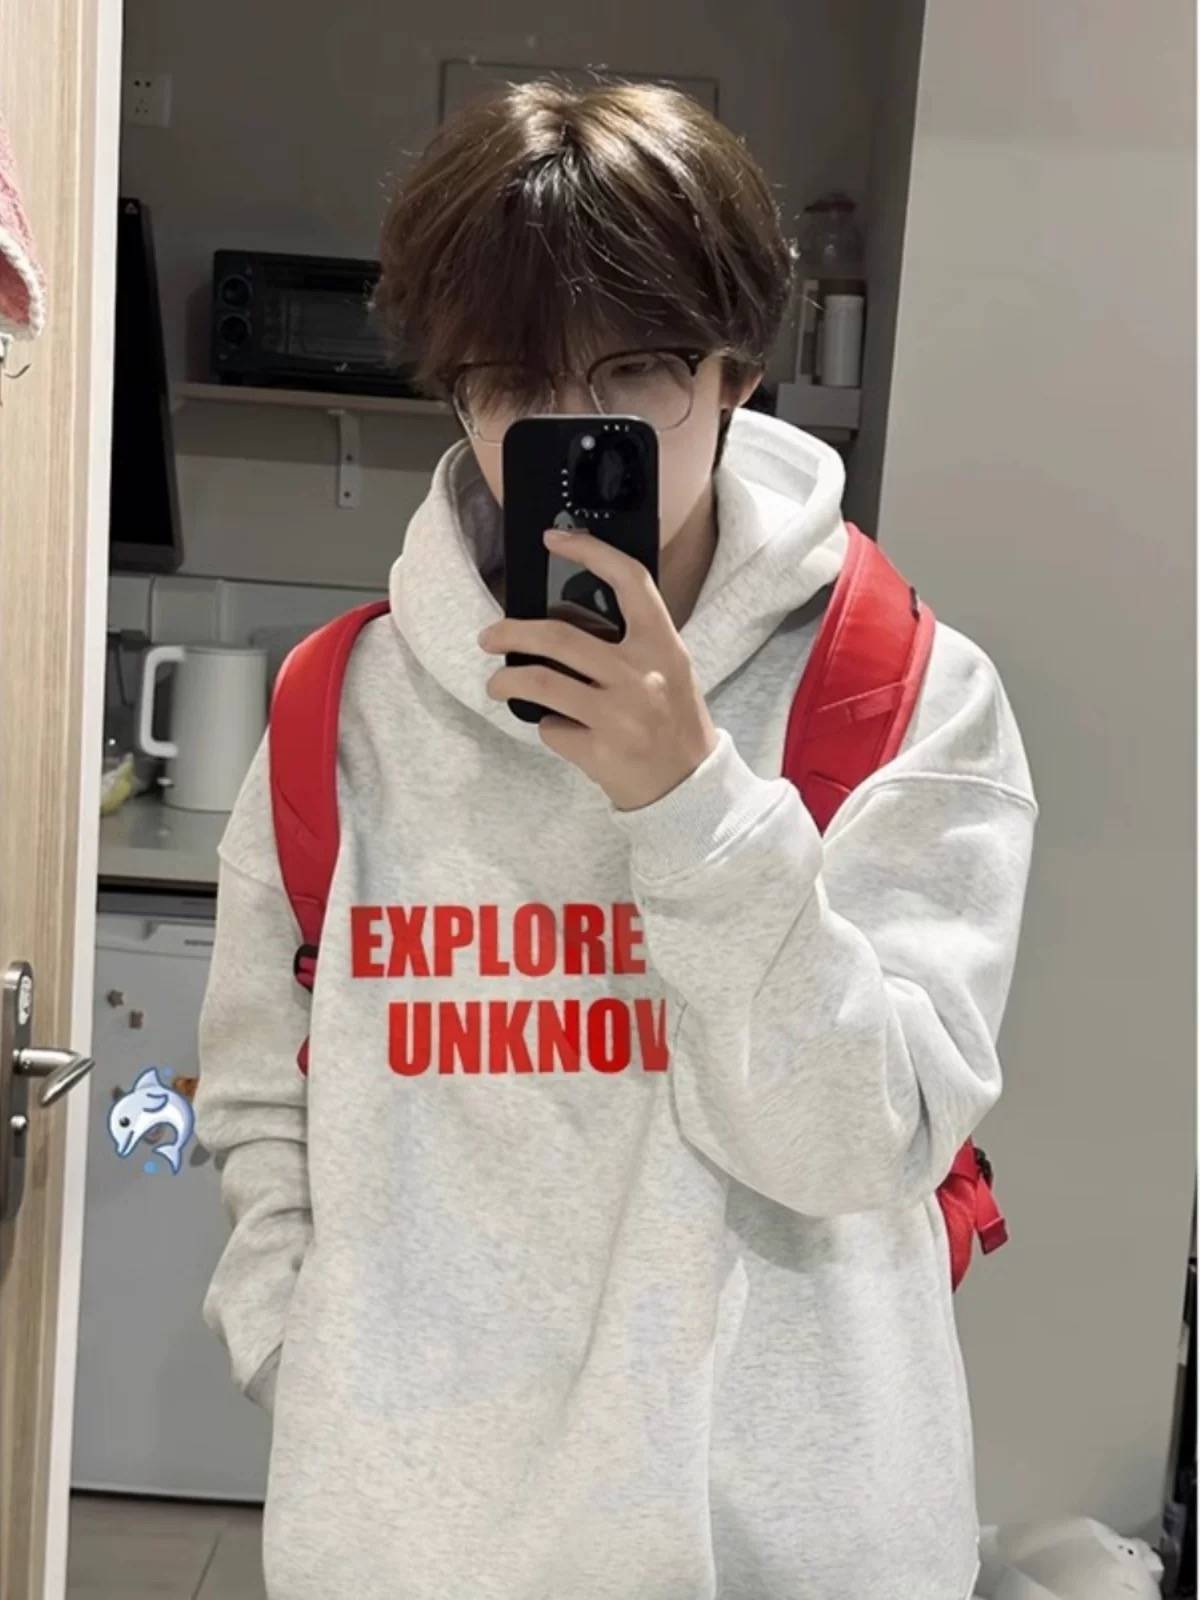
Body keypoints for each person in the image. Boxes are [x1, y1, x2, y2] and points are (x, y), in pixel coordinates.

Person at [193, 77, 1039, 1600]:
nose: (572, 426)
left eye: (636, 369)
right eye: (517, 380)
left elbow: (861, 1145)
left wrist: (693, 804)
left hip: (781, 1546)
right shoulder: (341, 709)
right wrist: (305, 1357)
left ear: (737, 375)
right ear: (459, 397)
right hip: (411, 1544)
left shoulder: (903, 695)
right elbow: (261, 1099)